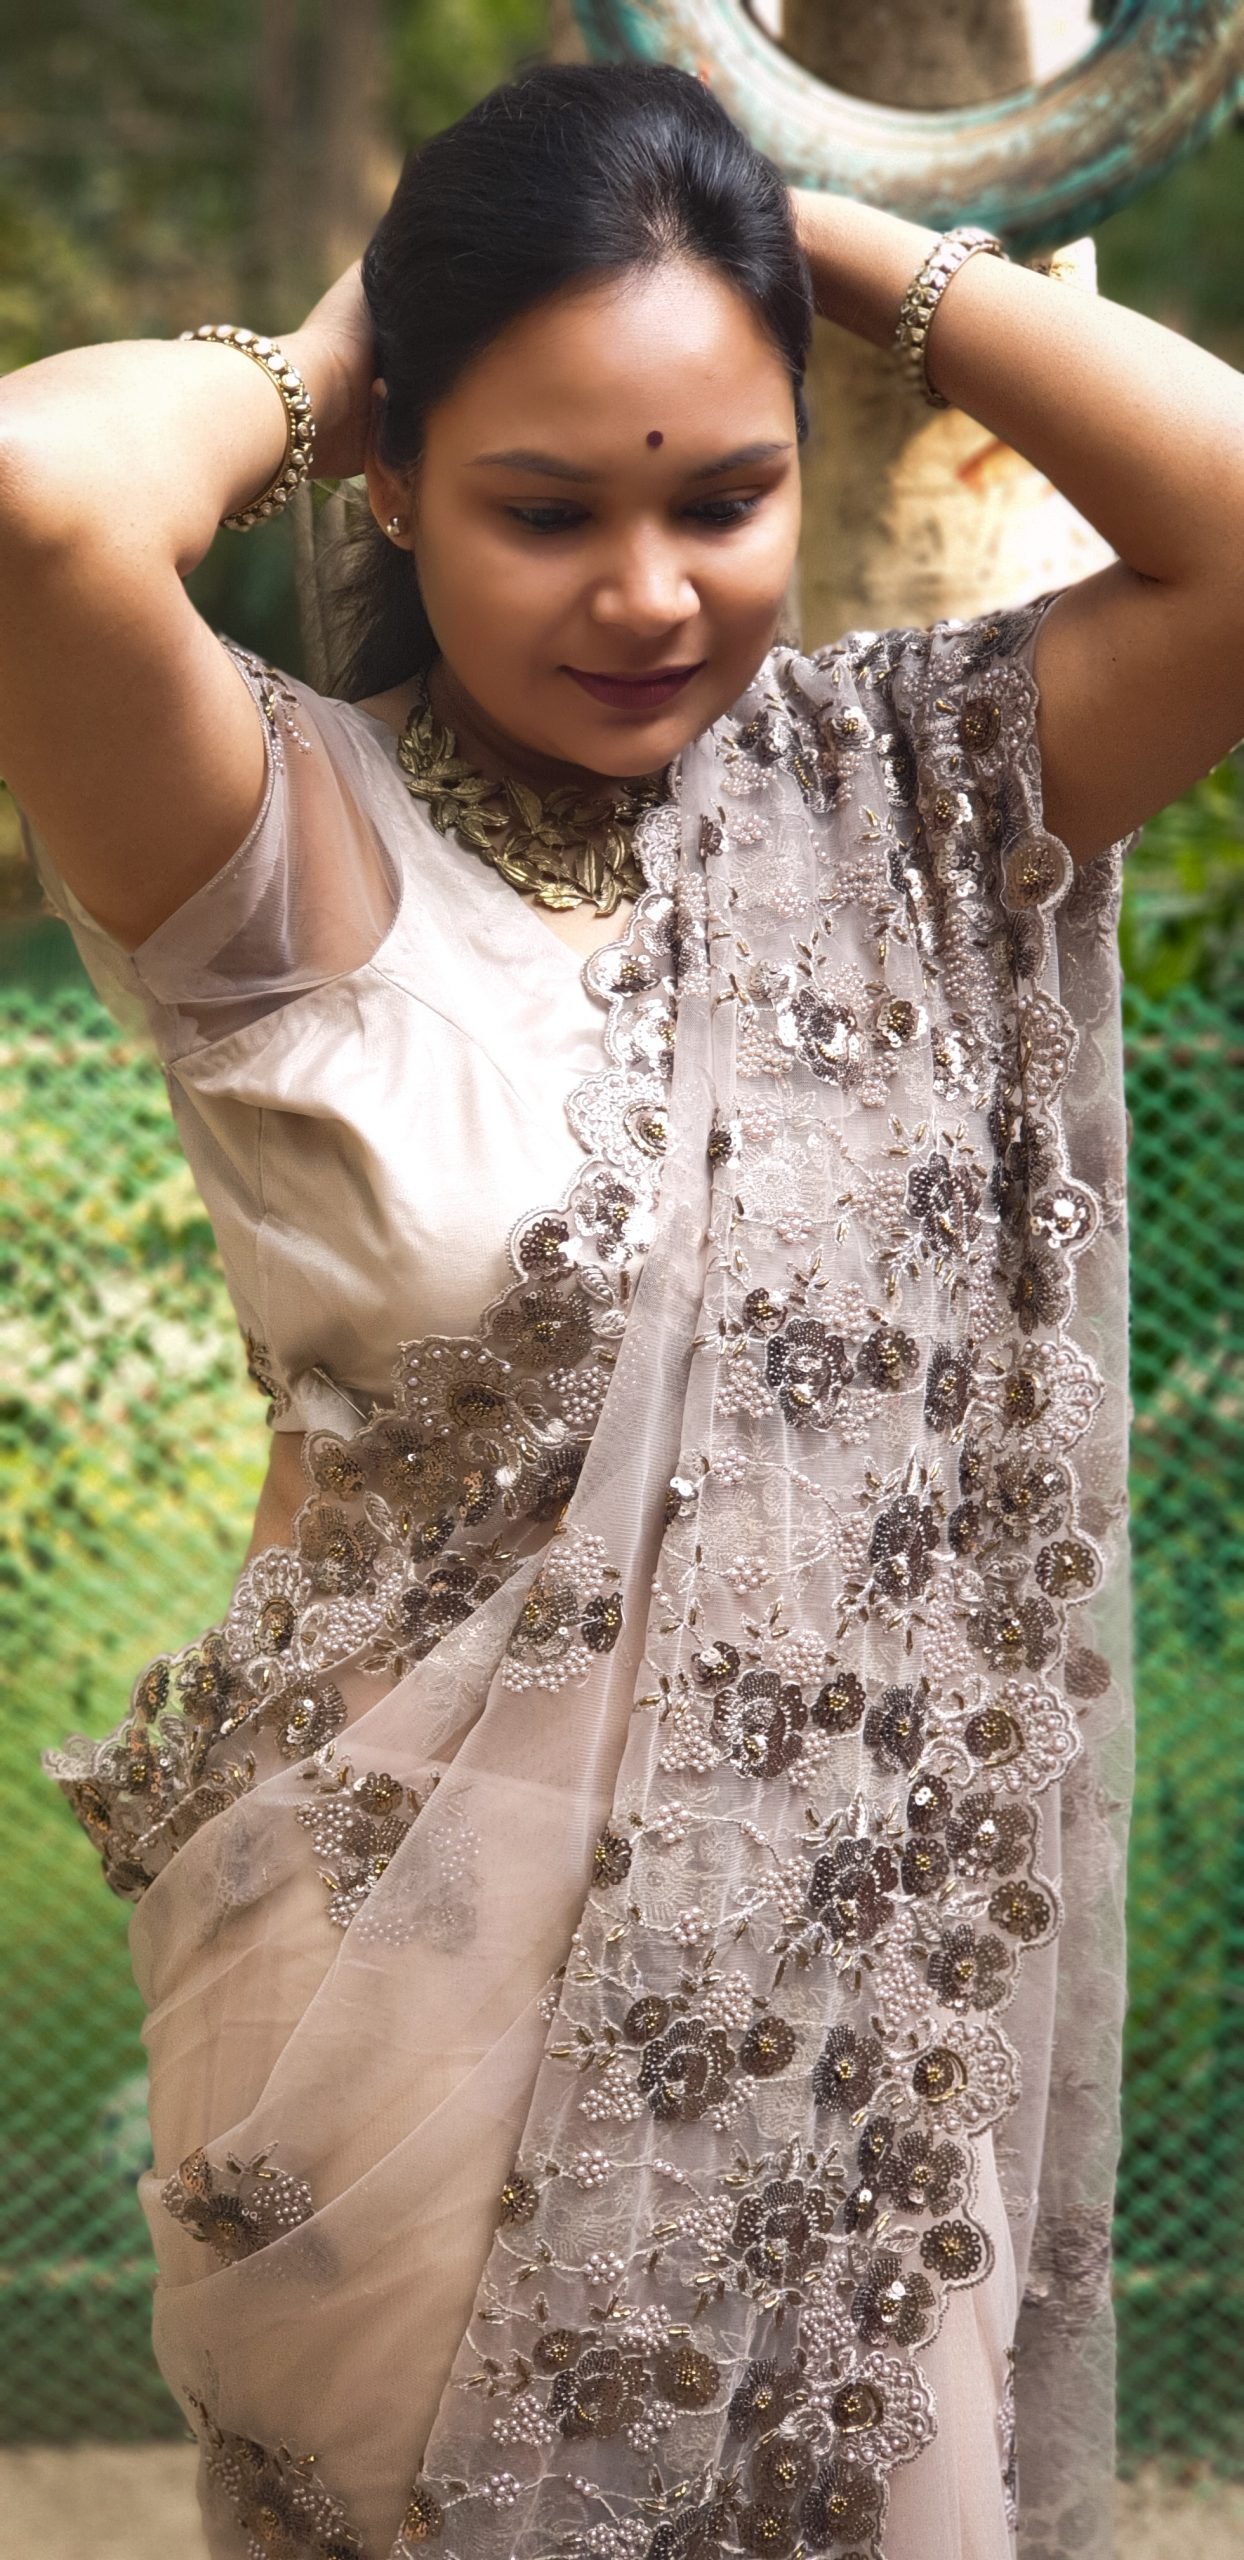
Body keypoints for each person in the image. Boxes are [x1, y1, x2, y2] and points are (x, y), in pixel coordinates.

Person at [1, 55, 1239, 2560]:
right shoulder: (278, 839)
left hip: (846, 2065)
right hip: (396, 2054)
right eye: (547, 506)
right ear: (393, 477)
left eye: (724, 492)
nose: (651, 590)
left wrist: (816, 228)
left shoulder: (911, 798)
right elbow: (34, 501)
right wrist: (338, 341)